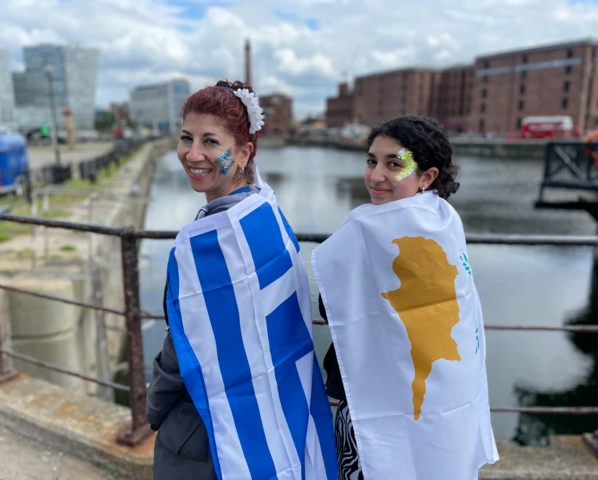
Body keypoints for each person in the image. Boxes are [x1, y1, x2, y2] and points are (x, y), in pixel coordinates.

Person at [146, 80, 336, 480]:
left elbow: (183, 345)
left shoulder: (212, 244)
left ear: (245, 152)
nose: (193, 154)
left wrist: (154, 407)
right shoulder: (265, 212)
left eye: (211, 142)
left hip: (205, 431)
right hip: (281, 406)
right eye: (186, 137)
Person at [313, 116, 498, 480]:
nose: (376, 175)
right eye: (372, 161)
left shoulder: (372, 230)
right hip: (438, 401)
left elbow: (330, 305)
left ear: (426, 177)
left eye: (394, 164)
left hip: (374, 404)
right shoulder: (444, 220)